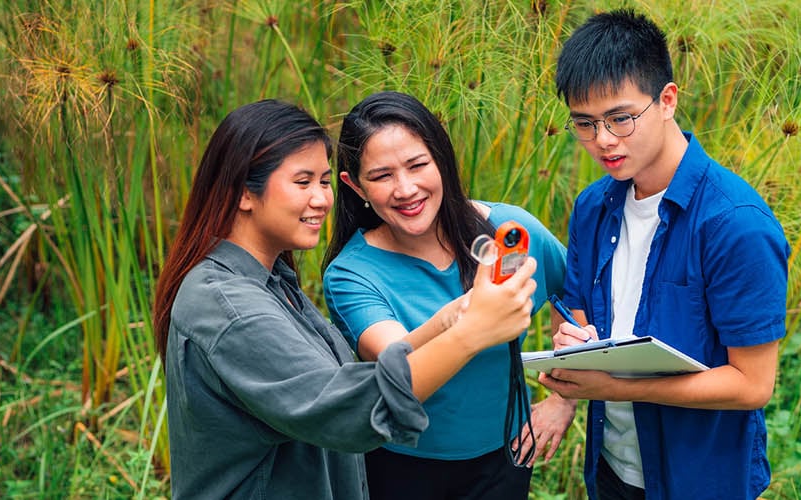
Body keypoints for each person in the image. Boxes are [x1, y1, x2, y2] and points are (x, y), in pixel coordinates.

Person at [151, 99, 540, 500]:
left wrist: (450, 321)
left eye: (323, 182)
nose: (322, 199)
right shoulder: (229, 308)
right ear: (243, 194)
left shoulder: (271, 282)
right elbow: (349, 407)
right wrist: (472, 334)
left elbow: (340, 380)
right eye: (303, 182)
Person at [537, 9, 790, 500]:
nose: (603, 140)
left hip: (700, 479)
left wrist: (616, 387)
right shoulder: (593, 205)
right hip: (612, 469)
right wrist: (572, 352)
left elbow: (753, 385)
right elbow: (575, 306)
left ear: (667, 100)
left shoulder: (734, 224)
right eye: (585, 124)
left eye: (621, 118)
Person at [322, 91, 578, 500]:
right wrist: (466, 318)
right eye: (382, 175)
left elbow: (575, 290)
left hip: (505, 460)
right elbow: (398, 370)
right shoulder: (352, 274)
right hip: (401, 467)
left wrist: (564, 397)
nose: (406, 189)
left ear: (442, 158)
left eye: (418, 165)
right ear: (355, 186)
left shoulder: (508, 232)